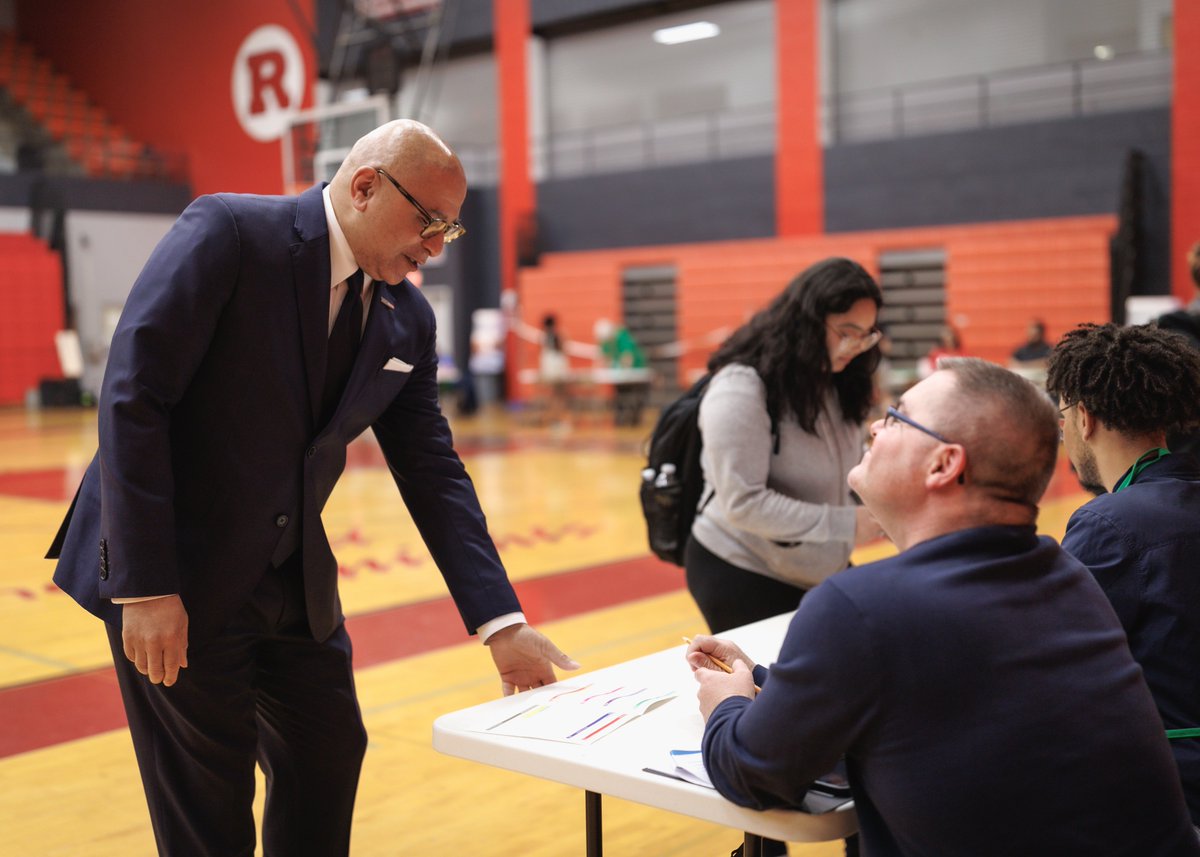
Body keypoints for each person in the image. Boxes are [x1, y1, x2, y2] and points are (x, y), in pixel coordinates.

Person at [45, 120, 578, 857]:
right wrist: (144, 585)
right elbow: (134, 397)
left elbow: (432, 468)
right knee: (210, 805)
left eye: (447, 233)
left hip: (293, 580)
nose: (432, 249)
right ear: (365, 186)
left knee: (329, 754)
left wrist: (501, 621)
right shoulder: (230, 233)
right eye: (428, 223)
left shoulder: (407, 321)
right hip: (177, 572)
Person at [687, 358, 1199, 857]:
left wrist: (725, 704)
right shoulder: (1063, 577)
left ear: (943, 463)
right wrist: (758, 675)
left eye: (895, 417)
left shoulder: (858, 607)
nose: (874, 427)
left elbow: (753, 773)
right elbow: (935, 704)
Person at [686, 257, 884, 857]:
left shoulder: (841, 378)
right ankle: (760, 846)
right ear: (807, 321)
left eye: (867, 333)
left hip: (820, 565)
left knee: (841, 707)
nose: (856, 345)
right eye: (845, 330)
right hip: (741, 568)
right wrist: (850, 524)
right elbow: (742, 501)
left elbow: (849, 471)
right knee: (763, 714)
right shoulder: (742, 384)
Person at [1047, 322, 1200, 826]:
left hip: (1173, 797)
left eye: (1063, 416)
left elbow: (1056, 667)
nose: (1063, 431)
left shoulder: (1107, 525)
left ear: (1085, 418)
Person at [594, 317, 649, 426]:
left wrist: (622, 369)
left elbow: (627, 357)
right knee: (621, 395)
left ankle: (634, 418)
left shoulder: (622, 336)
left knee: (636, 396)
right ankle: (622, 418)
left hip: (637, 370)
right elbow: (604, 357)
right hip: (621, 376)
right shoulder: (606, 341)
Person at [538, 312, 571, 427]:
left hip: (552, 371)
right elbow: (562, 352)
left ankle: (556, 418)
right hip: (556, 371)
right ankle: (557, 417)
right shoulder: (555, 337)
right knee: (558, 396)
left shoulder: (545, 337)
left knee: (555, 395)